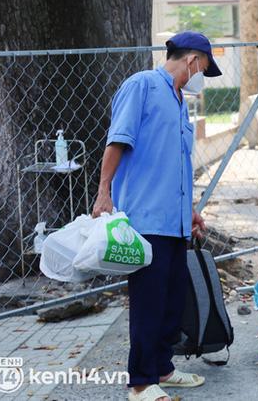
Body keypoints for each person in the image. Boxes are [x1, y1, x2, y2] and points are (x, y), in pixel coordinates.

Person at [92, 31, 221, 401]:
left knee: (171, 301)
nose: (202, 77)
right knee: (148, 305)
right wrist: (103, 192)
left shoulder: (180, 101)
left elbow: (176, 164)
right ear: (193, 60)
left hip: (175, 222)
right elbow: (118, 140)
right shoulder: (143, 86)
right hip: (145, 219)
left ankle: (163, 368)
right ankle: (141, 382)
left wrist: (191, 211)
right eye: (205, 68)